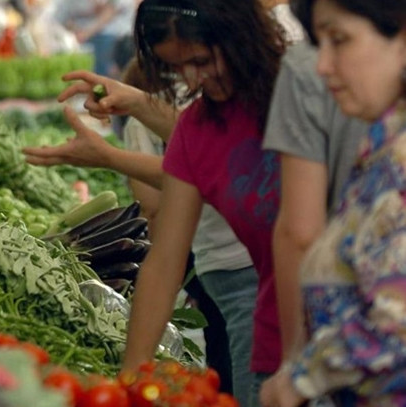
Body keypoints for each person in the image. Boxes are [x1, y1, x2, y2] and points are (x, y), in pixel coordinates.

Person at [24, 0, 286, 405]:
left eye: (201, 60)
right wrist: (131, 376)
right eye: (177, 69)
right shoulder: (199, 126)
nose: (194, 79)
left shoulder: (300, 89)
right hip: (274, 321)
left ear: (238, 34)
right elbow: (164, 262)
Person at [260, 0, 406, 405]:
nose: (322, 65)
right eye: (319, 42)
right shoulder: (382, 142)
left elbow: (397, 324)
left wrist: (299, 380)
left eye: (339, 40)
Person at [120, 57, 254, 398]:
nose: (192, 79)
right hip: (222, 265)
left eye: (199, 61)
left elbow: (152, 206)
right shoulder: (200, 117)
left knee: (231, 364)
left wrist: (106, 155)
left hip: (228, 267)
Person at [53, 0, 136, 77]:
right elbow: (60, 17)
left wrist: (86, 33)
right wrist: (78, 30)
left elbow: (112, 9)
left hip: (113, 36)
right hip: (84, 42)